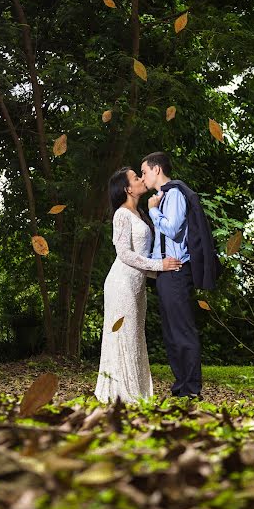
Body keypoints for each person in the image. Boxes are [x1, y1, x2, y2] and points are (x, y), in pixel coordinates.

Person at [94, 167, 182, 403]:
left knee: (135, 336)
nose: (141, 179)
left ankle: (138, 392)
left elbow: (145, 255)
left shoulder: (141, 213)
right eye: (136, 178)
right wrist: (160, 266)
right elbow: (124, 254)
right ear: (127, 189)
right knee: (123, 335)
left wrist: (165, 272)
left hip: (138, 285)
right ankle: (122, 394)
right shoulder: (122, 215)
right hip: (121, 283)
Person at [141, 152, 202, 399]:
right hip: (165, 273)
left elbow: (174, 230)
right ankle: (181, 387)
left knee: (182, 331)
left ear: (157, 170)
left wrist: (153, 212)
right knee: (170, 333)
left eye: (144, 171)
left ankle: (191, 389)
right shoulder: (162, 197)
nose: (143, 177)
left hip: (176, 272)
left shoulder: (174, 194)